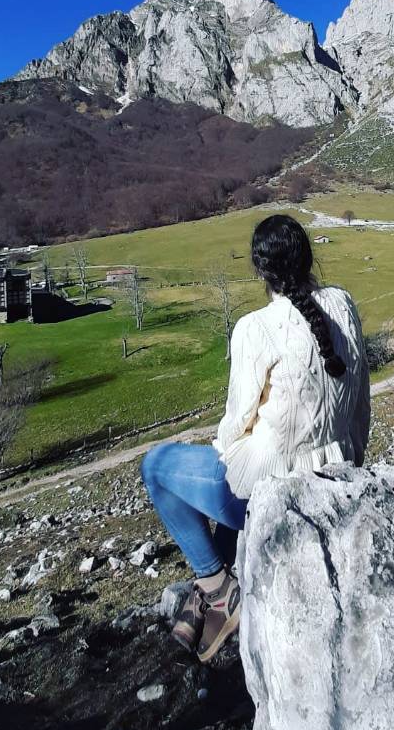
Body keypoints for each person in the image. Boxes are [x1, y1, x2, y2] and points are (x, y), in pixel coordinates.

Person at [140, 213, 371, 662]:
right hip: (338, 470)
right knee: (240, 466)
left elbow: (235, 424)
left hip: (279, 490)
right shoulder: (344, 304)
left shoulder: (254, 328)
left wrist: (225, 456)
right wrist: (352, 458)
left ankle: (216, 588)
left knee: (157, 467)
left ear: (260, 269)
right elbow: (360, 399)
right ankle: (220, 581)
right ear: (307, 258)